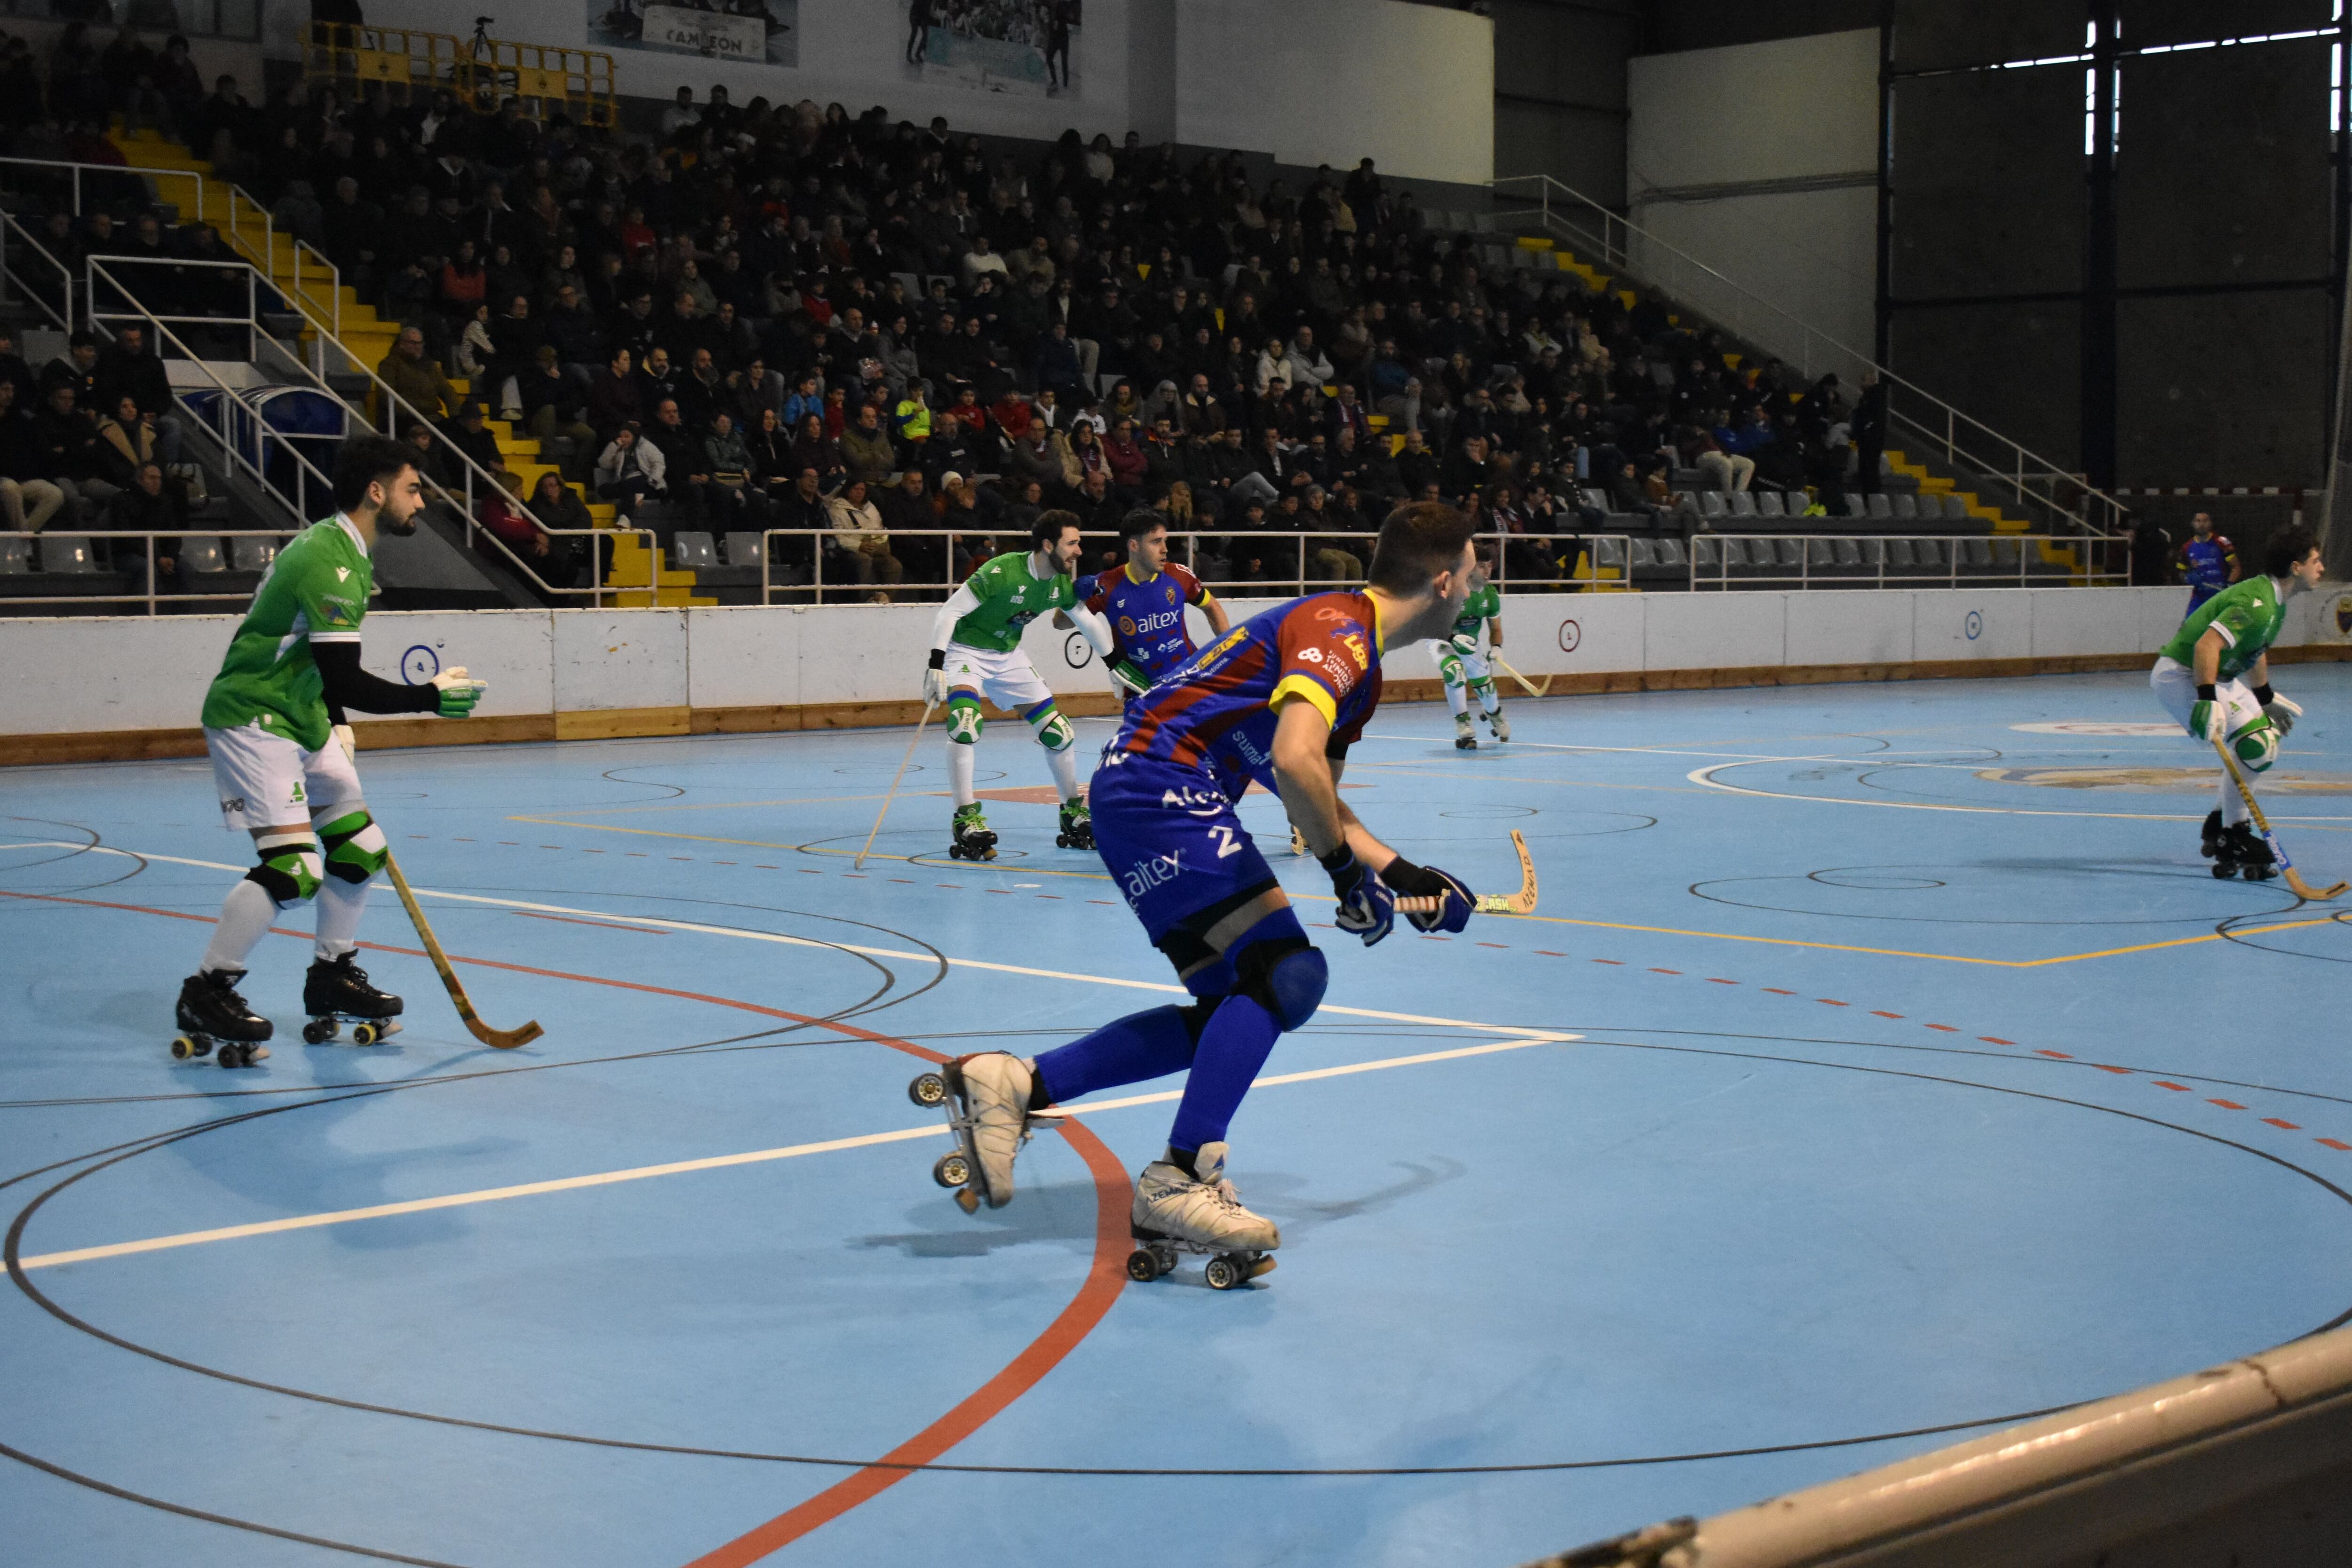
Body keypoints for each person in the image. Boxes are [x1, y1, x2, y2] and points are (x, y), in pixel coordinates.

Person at [925, 501, 1483, 1273]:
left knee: (1235, 1005)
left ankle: (1020, 1083)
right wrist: (1347, 875)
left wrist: (1399, 871)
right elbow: (1294, 761)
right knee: (1290, 973)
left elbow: (1310, 787)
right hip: (1164, 784)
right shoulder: (1340, 631)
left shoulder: (1358, 665)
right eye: (1478, 570)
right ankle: (1182, 1175)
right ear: (1447, 579)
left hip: (1142, 792)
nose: (1480, 587)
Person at [175, 436, 488, 1064]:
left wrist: (335, 721)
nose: (420, 500)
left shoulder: (349, 549)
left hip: (303, 715)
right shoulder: (332, 561)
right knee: (294, 869)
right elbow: (344, 674)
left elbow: (323, 664)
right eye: (412, 487)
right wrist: (427, 698)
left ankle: (332, 974)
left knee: (361, 845)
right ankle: (207, 989)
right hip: (254, 717)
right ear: (377, 491)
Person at [2149, 524, 2326, 880]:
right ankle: (2235, 834)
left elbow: (2250, 651)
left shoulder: (2274, 602)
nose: (2321, 567)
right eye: (2315, 560)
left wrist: (2265, 697)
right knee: (2254, 746)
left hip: (2218, 677)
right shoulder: (2256, 603)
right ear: (2295, 567)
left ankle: (2219, 822)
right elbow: (2206, 646)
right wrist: (2207, 698)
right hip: (2183, 676)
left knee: (2266, 744)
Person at [920, 510, 1099, 859]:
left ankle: (1073, 810)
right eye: (1073, 542)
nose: (1079, 551)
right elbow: (949, 612)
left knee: (1059, 731)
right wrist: (935, 664)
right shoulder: (1002, 571)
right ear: (1049, 544)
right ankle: (966, 817)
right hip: (965, 649)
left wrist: (1113, 665)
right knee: (966, 723)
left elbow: (1088, 623)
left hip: (1007, 655)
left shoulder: (1059, 582)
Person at [1079, 508, 1230, 707]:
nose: (1165, 549)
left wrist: (1230, 652)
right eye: (1156, 542)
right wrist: (1076, 595)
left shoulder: (1179, 575)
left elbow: (1213, 608)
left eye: (1164, 541)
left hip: (1188, 683)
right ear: (1134, 545)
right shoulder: (1106, 586)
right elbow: (1060, 624)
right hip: (1141, 694)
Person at [1433, 545, 1509, 748]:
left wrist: (1497, 647)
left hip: (1470, 642)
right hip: (1442, 639)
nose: (1487, 572)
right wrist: (1451, 637)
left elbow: (1496, 628)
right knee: (1455, 673)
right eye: (1482, 567)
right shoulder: (1452, 589)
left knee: (1485, 685)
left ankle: (1495, 714)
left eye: (1490, 566)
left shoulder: (1490, 595)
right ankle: (1463, 724)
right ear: (1470, 568)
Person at [2174, 510, 2238, 612]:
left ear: (2211, 523)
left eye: (2205, 521)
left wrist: (2229, 586)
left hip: (2219, 594)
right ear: (2193, 524)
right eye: (2198, 521)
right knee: (2191, 624)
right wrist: (2187, 578)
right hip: (2199, 597)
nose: (2202, 524)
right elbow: (2181, 572)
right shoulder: (2187, 547)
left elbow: (2236, 568)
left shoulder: (2221, 543)